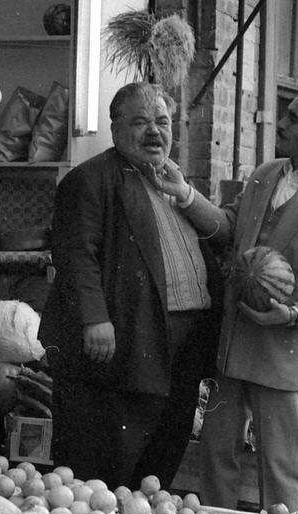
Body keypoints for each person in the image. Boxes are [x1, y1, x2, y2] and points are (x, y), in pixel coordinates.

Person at [155, 78, 298, 512]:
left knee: (279, 466)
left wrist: (293, 313)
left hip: (285, 351)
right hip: (233, 346)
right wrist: (185, 195)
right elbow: (228, 227)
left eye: (294, 118)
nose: (281, 123)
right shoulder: (264, 175)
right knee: (216, 458)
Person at [38, 82, 223, 489]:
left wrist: (187, 195)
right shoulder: (90, 179)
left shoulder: (172, 181)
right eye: (140, 122)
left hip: (179, 349)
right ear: (115, 128)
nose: (154, 132)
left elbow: (222, 233)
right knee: (106, 466)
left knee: (161, 460)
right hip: (121, 346)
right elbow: (75, 254)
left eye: (162, 121)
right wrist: (94, 318)